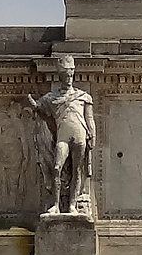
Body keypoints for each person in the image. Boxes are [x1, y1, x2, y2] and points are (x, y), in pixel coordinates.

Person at [24, 55, 97, 215]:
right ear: (61, 77)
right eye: (66, 76)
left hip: (80, 136)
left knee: (77, 170)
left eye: (71, 75)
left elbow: (89, 119)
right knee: (57, 168)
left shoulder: (84, 97)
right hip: (63, 137)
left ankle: (72, 205)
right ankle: (55, 205)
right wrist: (34, 106)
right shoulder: (52, 98)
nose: (69, 78)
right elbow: (44, 114)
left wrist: (93, 136)